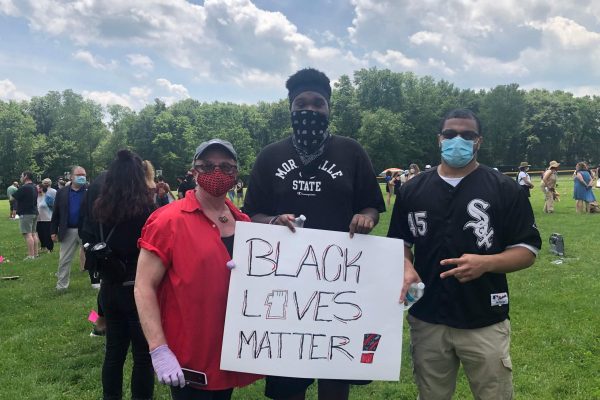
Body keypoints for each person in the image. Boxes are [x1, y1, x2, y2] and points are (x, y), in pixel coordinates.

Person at [243, 68, 385, 400]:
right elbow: (252, 214)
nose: (310, 110)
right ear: (290, 108)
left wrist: (365, 218)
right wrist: (274, 221)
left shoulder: (351, 152)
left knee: (334, 381)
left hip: (337, 288)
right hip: (284, 289)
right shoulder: (270, 156)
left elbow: (371, 206)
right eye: (301, 103)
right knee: (287, 387)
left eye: (318, 103)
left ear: (329, 108)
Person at [388, 108, 542, 400]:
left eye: (467, 135)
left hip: (484, 315)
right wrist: (406, 265)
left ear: (478, 141)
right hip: (428, 316)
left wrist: (486, 263)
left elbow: (528, 250)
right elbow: (399, 242)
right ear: (439, 139)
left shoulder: (505, 189)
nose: (457, 140)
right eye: (450, 134)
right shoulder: (412, 189)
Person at [135, 139, 261, 400]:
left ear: (236, 174)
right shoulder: (167, 220)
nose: (217, 173)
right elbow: (143, 286)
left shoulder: (244, 223)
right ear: (193, 171)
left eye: (226, 167)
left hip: (229, 351)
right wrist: (158, 348)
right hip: (188, 356)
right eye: (207, 166)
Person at [89, 150, 156, 400]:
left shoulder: (100, 205)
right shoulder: (147, 207)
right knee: (142, 356)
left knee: (114, 353)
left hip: (110, 287)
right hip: (138, 287)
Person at [51, 166, 88, 290]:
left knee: (94, 257)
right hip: (68, 230)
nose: (82, 177)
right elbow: (56, 212)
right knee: (64, 259)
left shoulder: (89, 191)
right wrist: (53, 231)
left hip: (86, 230)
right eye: (79, 174)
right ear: (71, 177)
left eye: (84, 174)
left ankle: (96, 282)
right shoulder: (62, 192)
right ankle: (62, 285)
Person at [12, 171, 39, 260]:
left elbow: (13, 197)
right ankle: (35, 254)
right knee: (34, 233)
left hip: (26, 213)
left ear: (26, 176)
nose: (20, 177)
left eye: (21, 175)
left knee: (27, 234)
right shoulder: (34, 187)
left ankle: (30, 256)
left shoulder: (24, 187)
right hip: (34, 212)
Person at [37, 179, 56, 253]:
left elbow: (53, 208)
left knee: (47, 234)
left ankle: (50, 248)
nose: (36, 189)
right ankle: (43, 246)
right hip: (39, 219)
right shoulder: (36, 198)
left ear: (41, 189)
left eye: (38, 187)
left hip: (48, 218)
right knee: (40, 234)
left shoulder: (47, 198)